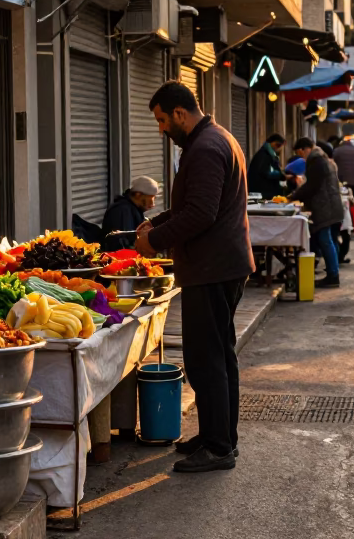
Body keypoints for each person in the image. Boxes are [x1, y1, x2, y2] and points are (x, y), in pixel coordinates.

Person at [134, 81, 252, 474]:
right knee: (220, 356)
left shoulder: (204, 148)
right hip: (221, 266)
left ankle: (218, 447)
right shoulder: (218, 139)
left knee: (206, 360)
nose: (162, 129)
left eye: (163, 120)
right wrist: (157, 222)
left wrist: (155, 241)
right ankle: (220, 436)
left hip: (212, 269)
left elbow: (202, 213)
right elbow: (195, 206)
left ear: (180, 114)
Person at [290, 139, 345, 288]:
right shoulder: (322, 157)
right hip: (329, 204)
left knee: (325, 239)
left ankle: (333, 275)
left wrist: (293, 196)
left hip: (324, 206)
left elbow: (312, 185)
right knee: (328, 239)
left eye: (300, 154)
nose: (302, 158)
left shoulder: (316, 159)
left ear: (304, 149)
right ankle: (333, 272)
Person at [100, 176, 159, 250]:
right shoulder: (122, 211)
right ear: (138, 195)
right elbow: (121, 243)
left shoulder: (133, 209)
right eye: (151, 198)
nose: (152, 204)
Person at [247, 134, 287, 199]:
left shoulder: (268, 154)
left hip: (264, 192)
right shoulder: (264, 155)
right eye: (279, 146)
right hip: (263, 193)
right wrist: (282, 176)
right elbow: (266, 172)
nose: (280, 149)